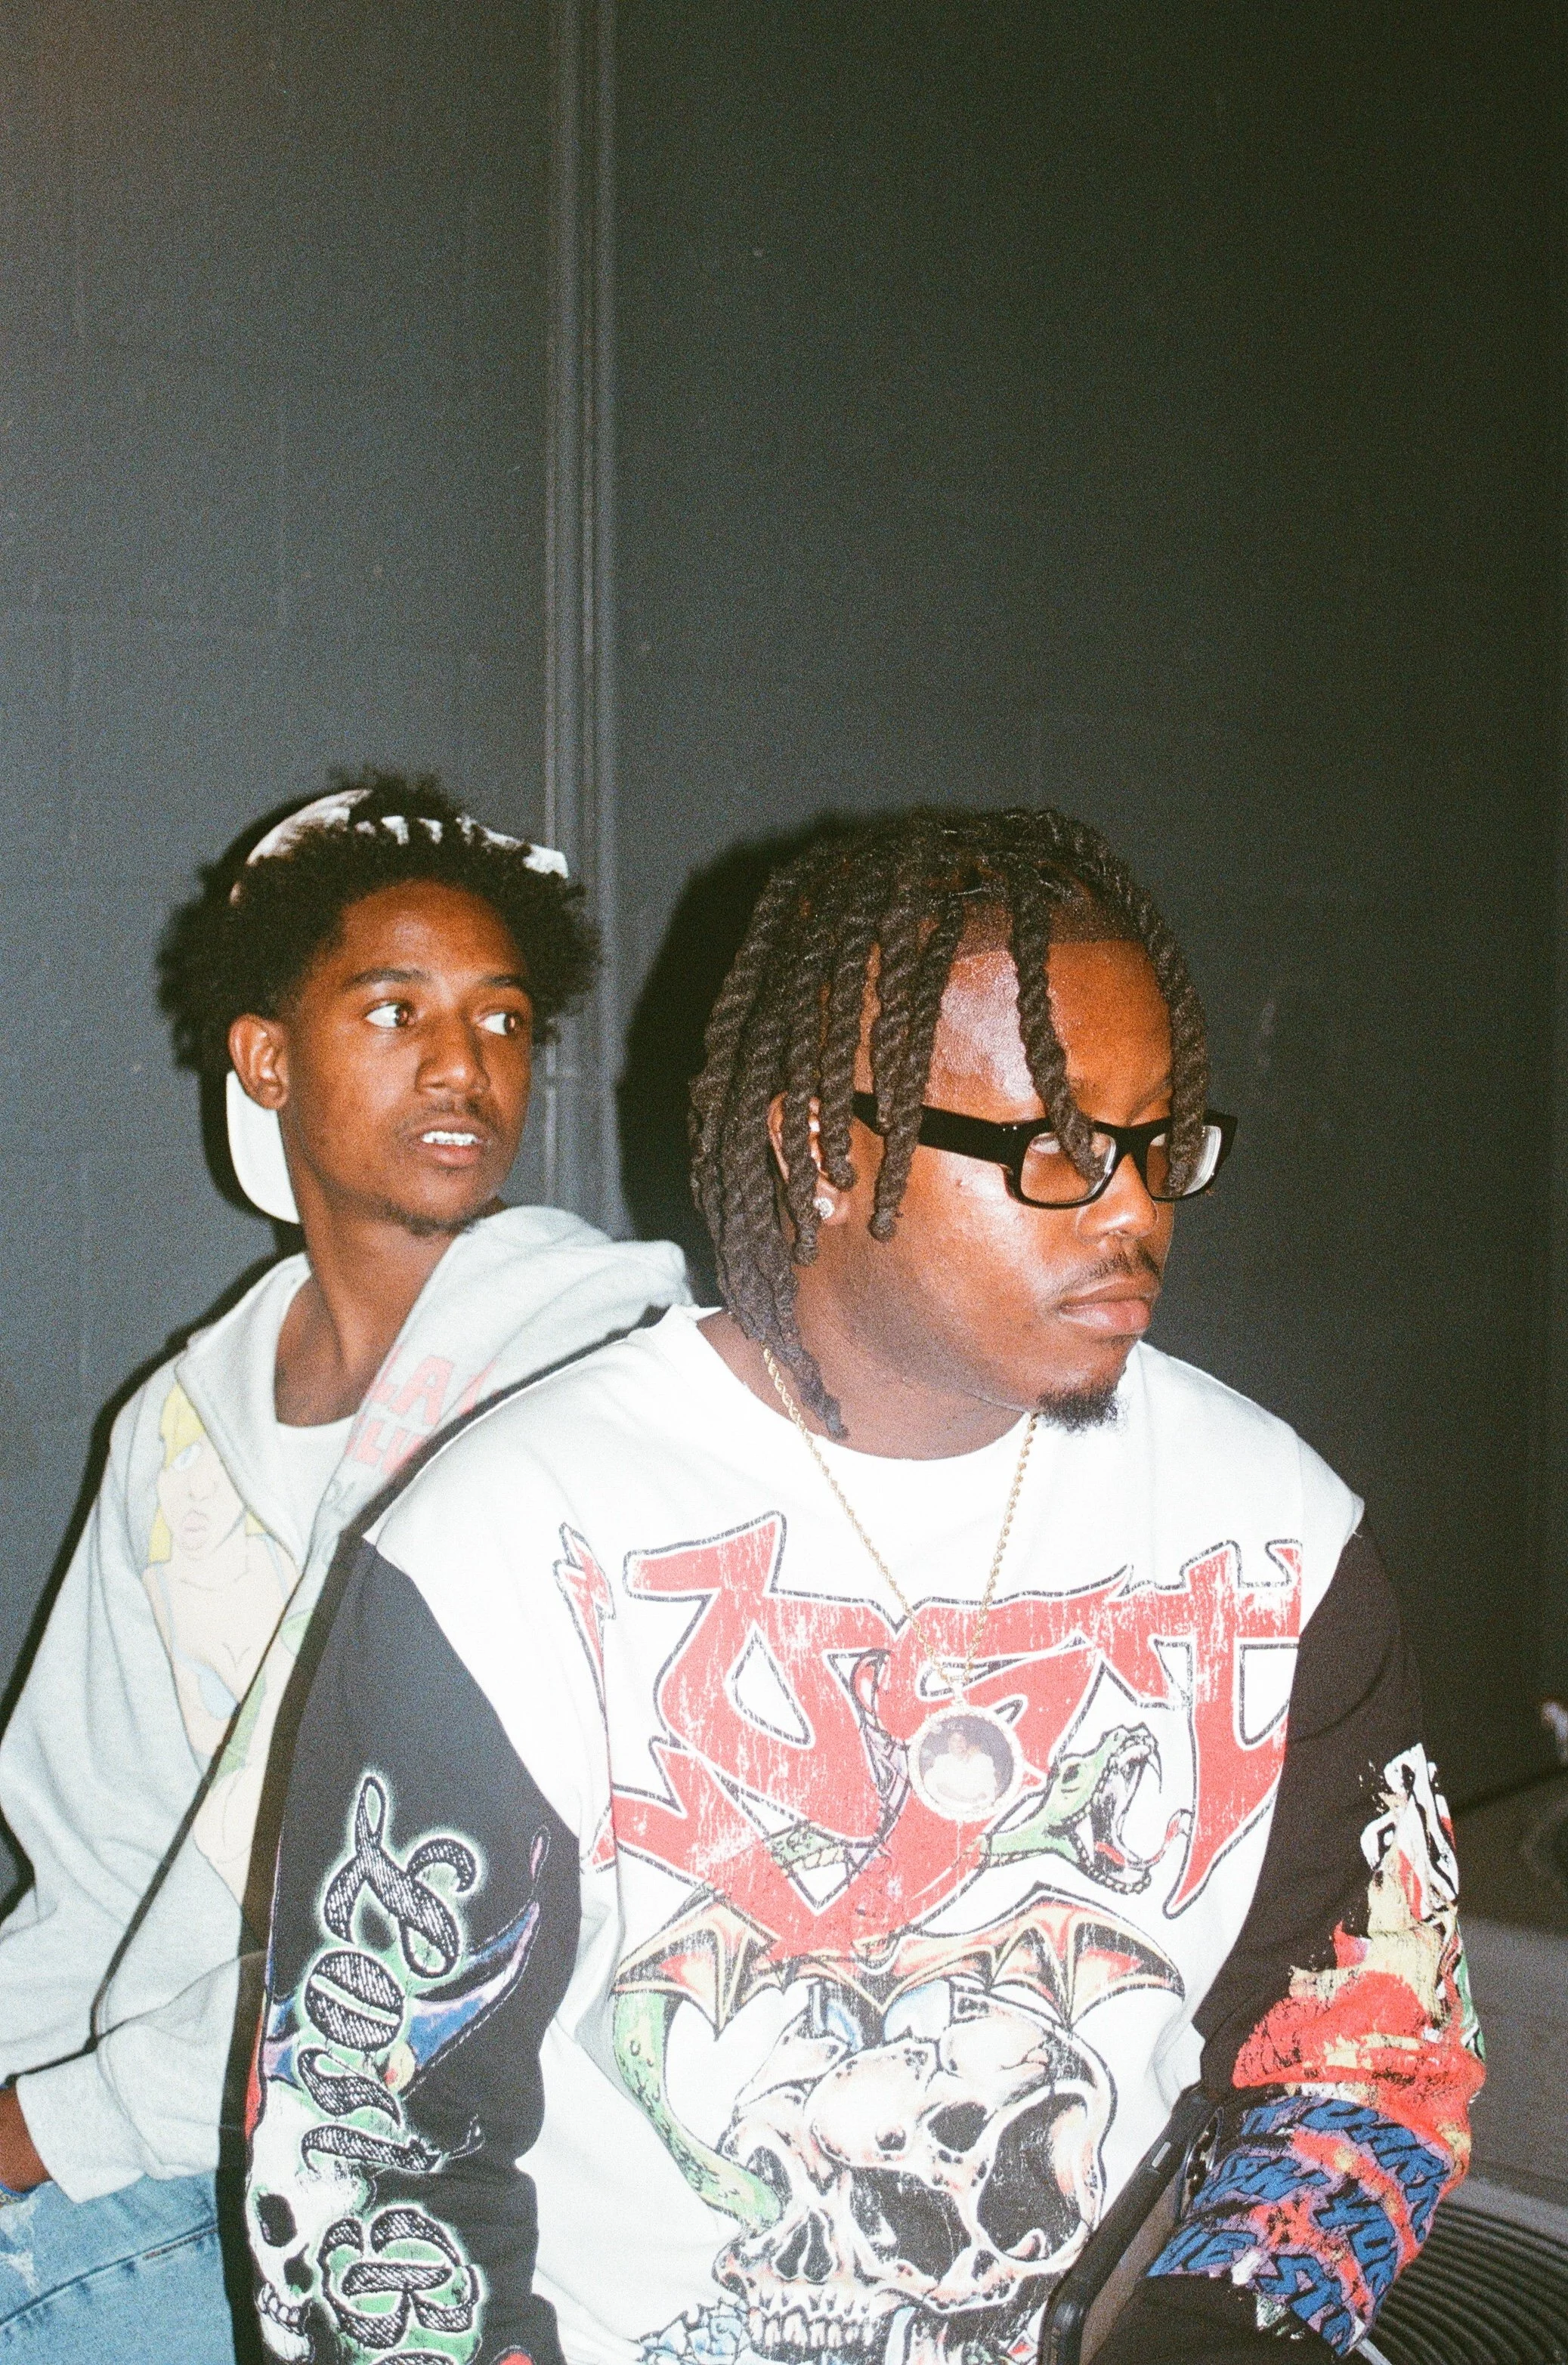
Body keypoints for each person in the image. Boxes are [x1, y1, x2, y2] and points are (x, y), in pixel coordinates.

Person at [247, 806, 1481, 2365]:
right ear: (824, 1151)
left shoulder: (1275, 1531)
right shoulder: (510, 1545)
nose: (1132, 1212)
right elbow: (376, 2165)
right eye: (1049, 1147)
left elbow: (1366, 2051)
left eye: (1157, 1140)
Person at [0, 774, 689, 2360]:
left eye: (504, 1019)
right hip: (179, 2117)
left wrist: (51, 2136)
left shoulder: (607, 1374)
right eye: (395, 1008)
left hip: (472, 2146)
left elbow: (468, 1948)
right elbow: (96, 1859)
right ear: (265, 1054)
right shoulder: (180, 1435)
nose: (464, 1064)